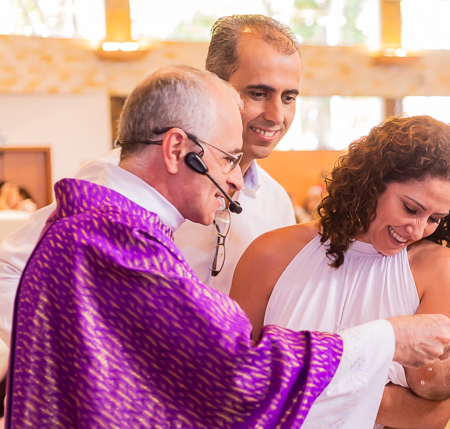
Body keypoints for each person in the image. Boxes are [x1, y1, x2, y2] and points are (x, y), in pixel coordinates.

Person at [0, 66, 450, 429]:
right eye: (227, 158)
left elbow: (163, 396)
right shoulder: (118, 243)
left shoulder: (98, 227)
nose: (237, 179)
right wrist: (388, 339)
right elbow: (237, 377)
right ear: (177, 149)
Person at [0, 14, 302, 344]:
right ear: (216, 87)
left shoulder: (276, 202)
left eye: (289, 97)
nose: (276, 115)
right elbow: (9, 273)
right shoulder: (125, 177)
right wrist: (91, 357)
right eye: (258, 93)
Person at [230, 115, 450, 429]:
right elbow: (235, 378)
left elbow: (434, 409)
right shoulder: (272, 254)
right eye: (410, 208)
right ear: (372, 183)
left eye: (435, 218)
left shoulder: (439, 269)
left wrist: (298, 387)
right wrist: (368, 390)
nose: (418, 229)